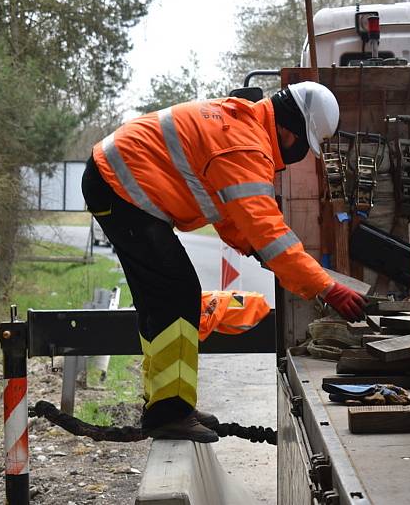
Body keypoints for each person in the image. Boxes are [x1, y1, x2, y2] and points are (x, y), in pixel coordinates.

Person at [81, 81, 366, 442]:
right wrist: (326, 286)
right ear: (286, 128)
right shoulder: (246, 145)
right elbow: (269, 232)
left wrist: (256, 250)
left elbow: (230, 213)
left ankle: (168, 404)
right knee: (176, 293)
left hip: (113, 182)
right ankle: (170, 411)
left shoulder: (242, 127)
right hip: (120, 186)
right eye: (300, 143)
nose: (297, 153)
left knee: (162, 298)